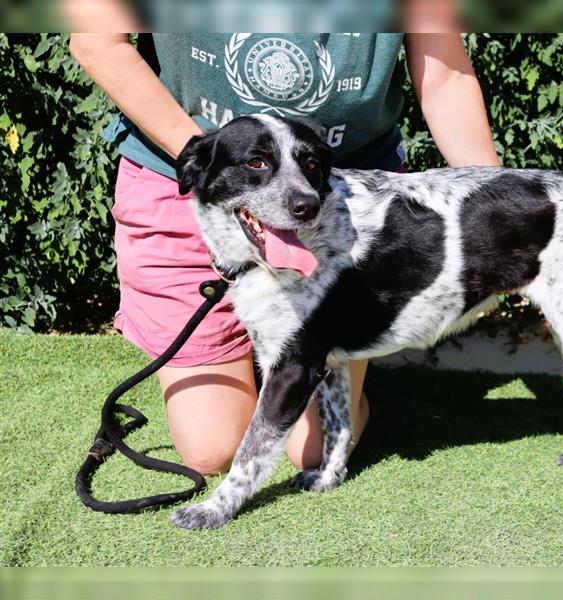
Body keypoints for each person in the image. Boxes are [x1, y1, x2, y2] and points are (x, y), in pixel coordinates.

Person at [68, 27, 499, 476]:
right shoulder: (203, 167)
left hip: (342, 198)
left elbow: (445, 76)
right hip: (192, 180)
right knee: (212, 450)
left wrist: (499, 218)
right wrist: (206, 160)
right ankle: (266, 357)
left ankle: (304, 357)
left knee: (314, 452)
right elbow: (96, 38)